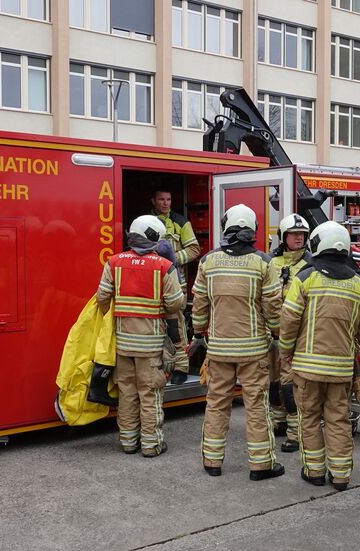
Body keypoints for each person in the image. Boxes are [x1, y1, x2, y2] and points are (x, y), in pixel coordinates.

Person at [192, 204, 284, 480]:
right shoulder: (263, 262)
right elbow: (273, 308)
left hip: (219, 349)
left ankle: (212, 461)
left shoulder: (208, 261)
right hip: (254, 351)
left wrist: (199, 334)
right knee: (256, 405)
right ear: (253, 229)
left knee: (216, 402)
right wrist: (278, 336)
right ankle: (261, 465)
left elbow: (199, 305)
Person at [279, 222, 360, 491]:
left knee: (308, 419)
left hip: (307, 369)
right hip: (341, 369)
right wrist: (352, 348)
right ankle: (341, 476)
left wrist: (286, 352)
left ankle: (315, 472)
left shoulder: (306, 278)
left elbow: (289, 320)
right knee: (338, 420)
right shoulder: (358, 284)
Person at [96, 215, 186, 457]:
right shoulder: (163, 266)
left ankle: (127, 442)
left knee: (127, 393)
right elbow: (176, 304)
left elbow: (102, 299)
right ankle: (151, 444)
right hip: (150, 347)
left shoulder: (113, 262)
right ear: (155, 237)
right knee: (149, 394)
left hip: (123, 345)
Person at [267, 213, 312, 453]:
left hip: (297, 337)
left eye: (302, 235)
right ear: (283, 237)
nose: (298, 238)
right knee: (274, 384)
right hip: (272, 335)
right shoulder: (272, 263)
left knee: (290, 385)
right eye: (294, 235)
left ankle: (295, 434)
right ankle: (278, 422)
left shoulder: (310, 266)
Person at [152, 189, 201, 385]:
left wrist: (171, 260)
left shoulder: (180, 222)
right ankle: (160, 368)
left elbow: (194, 249)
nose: (166, 203)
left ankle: (181, 368)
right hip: (151, 286)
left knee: (177, 328)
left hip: (175, 286)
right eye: (161, 199)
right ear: (153, 200)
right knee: (155, 329)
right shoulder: (145, 221)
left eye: (169, 199)